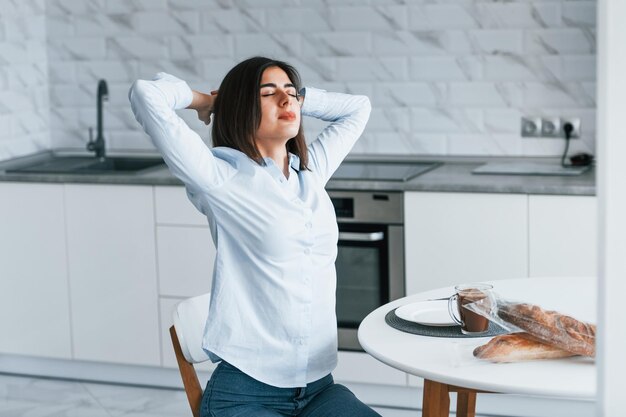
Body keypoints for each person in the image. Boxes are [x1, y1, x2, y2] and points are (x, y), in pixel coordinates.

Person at [129, 56, 377, 417]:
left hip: (319, 387)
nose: (286, 100)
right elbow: (145, 94)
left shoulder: (310, 173)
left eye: (290, 93)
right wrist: (208, 100)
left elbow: (358, 108)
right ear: (242, 106)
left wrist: (297, 97)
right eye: (268, 93)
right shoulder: (219, 179)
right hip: (246, 393)